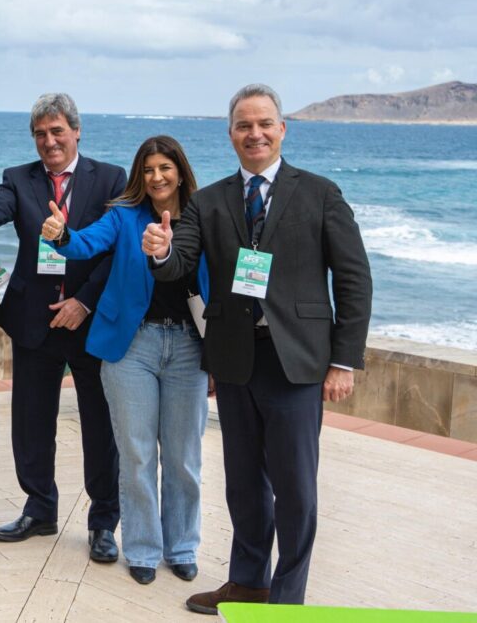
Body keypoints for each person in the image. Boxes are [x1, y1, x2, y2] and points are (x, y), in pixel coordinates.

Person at [142, 84, 372, 613]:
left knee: (295, 490)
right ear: (230, 135)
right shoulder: (207, 201)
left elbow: (355, 279)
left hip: (299, 363)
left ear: (282, 129)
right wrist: (160, 252)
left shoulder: (320, 193)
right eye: (244, 125)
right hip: (236, 362)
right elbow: (181, 265)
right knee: (245, 486)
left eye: (265, 123)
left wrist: (343, 360)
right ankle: (249, 582)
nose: (255, 133)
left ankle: (288, 597)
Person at [0, 93, 124, 562]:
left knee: (99, 427)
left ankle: (103, 521)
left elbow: (115, 252)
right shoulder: (18, 179)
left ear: (76, 132)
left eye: (57, 131)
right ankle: (40, 509)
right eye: (40, 134)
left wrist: (84, 301)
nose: (49, 141)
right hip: (34, 319)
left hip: (86, 320)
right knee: (31, 424)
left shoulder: (109, 179)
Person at [42, 135, 210, 585]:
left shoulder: (203, 212)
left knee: (183, 457)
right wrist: (62, 235)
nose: (157, 177)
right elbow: (84, 244)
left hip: (189, 347)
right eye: (149, 169)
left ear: (180, 170)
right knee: (136, 455)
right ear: (140, 174)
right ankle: (141, 548)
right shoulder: (123, 216)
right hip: (132, 346)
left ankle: (181, 546)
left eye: (165, 168)